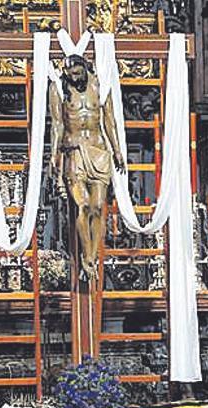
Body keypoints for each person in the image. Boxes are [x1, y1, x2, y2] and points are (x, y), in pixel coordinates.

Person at [49, 54, 125, 280]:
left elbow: (109, 120)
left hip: (99, 151)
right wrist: (54, 155)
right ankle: (87, 259)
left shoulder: (100, 84)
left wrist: (118, 150)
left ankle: (91, 255)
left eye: (78, 74)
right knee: (82, 206)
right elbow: (57, 124)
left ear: (85, 68)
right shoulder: (59, 89)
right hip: (74, 151)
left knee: (98, 207)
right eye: (71, 75)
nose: (75, 78)